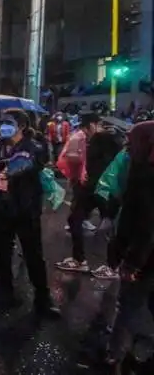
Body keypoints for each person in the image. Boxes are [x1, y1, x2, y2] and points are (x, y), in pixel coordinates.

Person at [0, 109, 59, 318]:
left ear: (22, 126)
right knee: (2, 253)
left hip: (26, 209)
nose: (3, 126)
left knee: (33, 255)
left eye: (8, 122)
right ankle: (5, 290)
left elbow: (27, 163)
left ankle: (43, 298)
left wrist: (5, 171)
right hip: (0, 207)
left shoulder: (34, 145)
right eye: (2, 122)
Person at [105, 121, 154, 371]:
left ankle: (116, 356)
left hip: (144, 258)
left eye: (132, 141)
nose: (127, 146)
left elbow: (145, 224)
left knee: (128, 306)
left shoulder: (145, 174)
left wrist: (132, 261)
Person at [55, 114, 123, 277]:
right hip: (102, 187)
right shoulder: (114, 138)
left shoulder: (100, 138)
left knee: (100, 224)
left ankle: (92, 263)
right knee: (106, 223)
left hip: (95, 186)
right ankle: (110, 265)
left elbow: (95, 163)